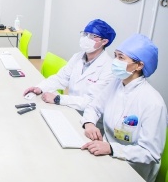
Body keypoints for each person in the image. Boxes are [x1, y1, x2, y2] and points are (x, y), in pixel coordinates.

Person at [81, 34, 167, 182]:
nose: (114, 61)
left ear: (139, 65)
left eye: (121, 58)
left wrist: (112, 149)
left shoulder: (153, 103)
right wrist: (89, 123)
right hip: (106, 155)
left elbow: (150, 152)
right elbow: (94, 106)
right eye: (115, 56)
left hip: (132, 169)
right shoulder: (117, 83)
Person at [23, 19, 116, 112]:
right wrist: (40, 88)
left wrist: (58, 99)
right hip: (71, 107)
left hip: (90, 116)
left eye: (92, 36)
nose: (86, 38)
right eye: (85, 34)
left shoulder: (109, 68)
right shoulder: (77, 57)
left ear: (104, 42)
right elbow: (61, 78)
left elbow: (92, 102)